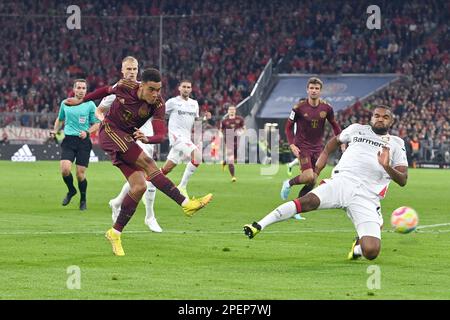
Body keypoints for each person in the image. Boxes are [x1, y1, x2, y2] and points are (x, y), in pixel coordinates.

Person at [65, 68, 212, 256]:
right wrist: (81, 101)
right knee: (149, 164)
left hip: (126, 138)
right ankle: (185, 203)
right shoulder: (126, 85)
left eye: (158, 89)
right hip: (110, 131)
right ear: (141, 86)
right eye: (152, 89)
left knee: (139, 186)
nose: (155, 94)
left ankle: (115, 232)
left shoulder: (158, 104)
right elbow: (104, 91)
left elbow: (160, 134)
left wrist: (147, 138)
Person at [244, 105, 408, 261]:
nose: (380, 119)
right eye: (377, 116)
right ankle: (258, 225)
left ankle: (357, 248)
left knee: (371, 252)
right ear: (371, 118)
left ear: (391, 121)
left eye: (385, 117)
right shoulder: (356, 129)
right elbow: (331, 144)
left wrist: (386, 166)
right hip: (341, 182)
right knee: (308, 201)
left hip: (367, 196)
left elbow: (403, 180)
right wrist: (319, 166)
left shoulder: (396, 143)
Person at [96, 56, 162, 233]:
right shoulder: (119, 89)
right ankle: (150, 217)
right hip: (128, 137)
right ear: (122, 71)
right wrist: (105, 123)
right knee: (149, 174)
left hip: (147, 136)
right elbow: (99, 110)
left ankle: (117, 202)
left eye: (135, 69)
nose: (132, 73)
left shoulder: (146, 89)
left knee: (143, 177)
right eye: (129, 69)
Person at [281, 77, 343, 220]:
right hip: (302, 146)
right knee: (308, 176)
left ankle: (296, 210)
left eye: (317, 88)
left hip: (318, 148)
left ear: (320, 91)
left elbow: (334, 124)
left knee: (312, 181)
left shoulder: (327, 108)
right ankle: (288, 183)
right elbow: (288, 127)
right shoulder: (298, 108)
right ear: (307, 90)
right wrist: (291, 144)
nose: (314, 91)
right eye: (312, 88)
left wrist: (341, 140)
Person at [51, 79, 100, 210]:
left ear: (86, 90)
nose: (81, 90)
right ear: (74, 89)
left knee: (80, 174)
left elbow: (97, 123)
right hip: (69, 140)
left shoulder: (90, 105)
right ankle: (71, 190)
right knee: (65, 169)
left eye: (83, 88)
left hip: (83, 142)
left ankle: (83, 198)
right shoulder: (66, 103)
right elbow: (60, 119)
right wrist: (55, 130)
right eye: (78, 88)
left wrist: (87, 132)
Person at [160, 79, 204, 198]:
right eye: (184, 87)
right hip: (176, 137)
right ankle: (182, 186)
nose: (186, 89)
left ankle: (149, 183)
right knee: (198, 157)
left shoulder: (194, 104)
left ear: (191, 89)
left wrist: (203, 121)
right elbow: (160, 114)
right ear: (179, 88)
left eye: (188, 87)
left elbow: (196, 121)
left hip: (186, 138)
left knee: (167, 168)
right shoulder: (172, 102)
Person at [220, 105, 245, 182]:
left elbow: (244, 128)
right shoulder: (224, 121)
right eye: (230, 109)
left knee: (234, 157)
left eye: (233, 109)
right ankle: (233, 176)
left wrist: (242, 132)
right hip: (228, 141)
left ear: (235, 111)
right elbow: (221, 130)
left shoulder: (240, 119)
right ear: (228, 111)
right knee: (231, 159)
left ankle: (225, 162)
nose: (231, 111)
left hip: (237, 141)